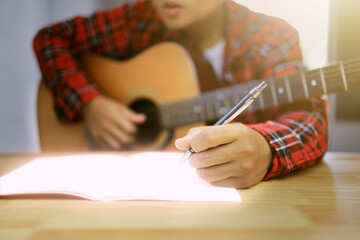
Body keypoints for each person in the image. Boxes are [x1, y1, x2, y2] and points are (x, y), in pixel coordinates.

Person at [33, 0, 328, 189]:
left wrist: (266, 148)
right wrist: (90, 104)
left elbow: (308, 117)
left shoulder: (272, 35)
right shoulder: (139, 18)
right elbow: (51, 39)